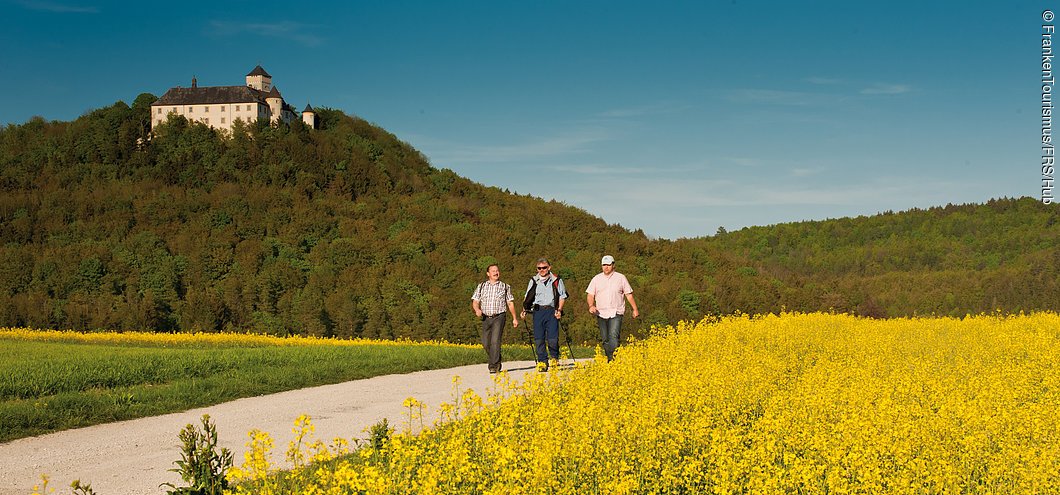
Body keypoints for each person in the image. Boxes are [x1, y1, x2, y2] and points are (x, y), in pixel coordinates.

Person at [586, 255, 639, 362]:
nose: (606, 267)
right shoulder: (596, 279)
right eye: (604, 265)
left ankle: (613, 361)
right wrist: (591, 305)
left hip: (616, 312)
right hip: (600, 313)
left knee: (613, 337)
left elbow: (629, 295)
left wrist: (635, 309)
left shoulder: (621, 278)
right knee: (605, 339)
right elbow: (590, 294)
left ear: (613, 265)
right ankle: (610, 358)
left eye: (608, 265)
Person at [520, 258, 568, 371]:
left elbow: (562, 296)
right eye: (539, 268)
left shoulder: (556, 280)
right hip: (538, 311)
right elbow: (527, 297)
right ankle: (542, 362)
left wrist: (559, 310)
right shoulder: (533, 280)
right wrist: (524, 310)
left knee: (552, 339)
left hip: (552, 311)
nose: (542, 270)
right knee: (539, 338)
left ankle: (555, 358)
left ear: (549, 268)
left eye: (544, 267)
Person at [471, 264, 519, 374]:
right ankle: (496, 357)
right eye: (493, 271)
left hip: (499, 316)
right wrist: (477, 310)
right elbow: (475, 301)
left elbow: (510, 303)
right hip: (485, 317)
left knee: (495, 341)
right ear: (488, 274)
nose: (496, 272)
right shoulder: (481, 286)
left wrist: (514, 318)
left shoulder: (505, 286)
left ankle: (493, 366)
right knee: (485, 342)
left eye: (497, 270)